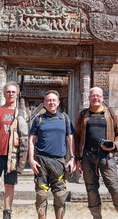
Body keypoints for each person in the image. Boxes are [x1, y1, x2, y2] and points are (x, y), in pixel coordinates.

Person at [73, 87, 118, 219]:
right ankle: (97, 217)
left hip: (106, 157)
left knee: (114, 187)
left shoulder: (112, 113)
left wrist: (114, 146)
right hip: (87, 156)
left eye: (98, 96)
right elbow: (77, 136)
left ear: (103, 98)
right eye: (93, 96)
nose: (95, 98)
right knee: (91, 189)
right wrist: (77, 158)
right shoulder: (83, 115)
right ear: (89, 98)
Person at [28, 90, 76, 219]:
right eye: (48, 100)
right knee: (41, 194)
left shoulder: (65, 118)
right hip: (41, 161)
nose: (51, 102)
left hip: (59, 162)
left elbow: (70, 138)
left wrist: (72, 158)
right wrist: (31, 159)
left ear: (58, 102)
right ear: (44, 103)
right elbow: (32, 140)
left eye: (54, 100)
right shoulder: (39, 119)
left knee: (60, 195)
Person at [0, 81, 28, 219]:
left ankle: (7, 214)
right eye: (8, 91)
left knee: (10, 185)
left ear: (17, 95)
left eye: (13, 92)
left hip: (13, 155)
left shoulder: (20, 113)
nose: (10, 94)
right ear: (4, 94)